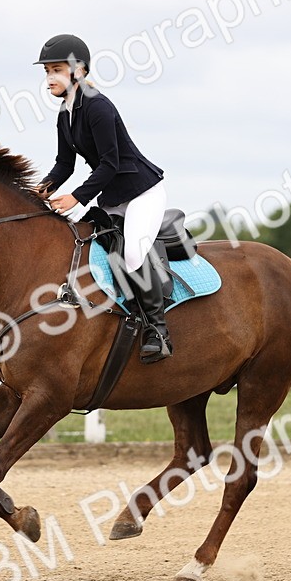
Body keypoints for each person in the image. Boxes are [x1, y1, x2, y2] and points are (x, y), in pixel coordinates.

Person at [34, 33, 173, 363]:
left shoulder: (97, 106)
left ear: (78, 71)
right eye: (46, 72)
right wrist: (43, 188)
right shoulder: (65, 115)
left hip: (142, 193)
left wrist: (77, 199)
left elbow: (110, 162)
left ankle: (159, 331)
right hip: (113, 198)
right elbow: (64, 164)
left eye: (56, 70)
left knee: (135, 254)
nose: (49, 78)